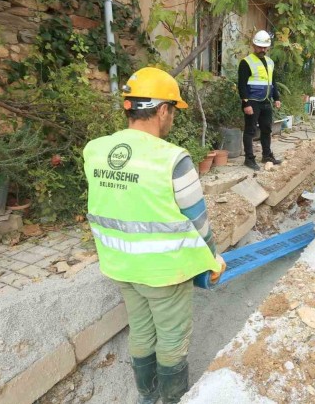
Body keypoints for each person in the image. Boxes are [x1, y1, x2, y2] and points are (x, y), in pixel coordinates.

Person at [83, 67, 226, 404]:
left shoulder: (96, 150)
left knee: (142, 330)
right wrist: (213, 258)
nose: (172, 118)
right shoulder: (172, 159)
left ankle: (147, 396)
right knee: (173, 339)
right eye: (173, 111)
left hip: (120, 265)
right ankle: (172, 398)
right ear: (163, 110)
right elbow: (198, 220)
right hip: (162, 271)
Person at [238, 30, 282, 170]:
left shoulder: (270, 62)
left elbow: (272, 82)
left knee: (266, 129)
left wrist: (276, 97)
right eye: (259, 47)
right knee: (250, 131)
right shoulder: (246, 62)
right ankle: (249, 159)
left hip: (266, 102)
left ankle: (267, 155)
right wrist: (246, 103)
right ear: (253, 45)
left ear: (267, 47)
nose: (262, 50)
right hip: (252, 101)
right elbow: (241, 84)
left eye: (264, 47)